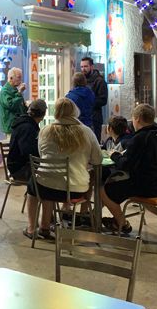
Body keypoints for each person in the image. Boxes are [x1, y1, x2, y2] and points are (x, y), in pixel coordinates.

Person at [100, 104, 157, 245]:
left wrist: (115, 155)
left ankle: (122, 223)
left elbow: (125, 165)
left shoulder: (139, 138)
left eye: (133, 118)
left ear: (138, 119)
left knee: (104, 190)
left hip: (146, 187)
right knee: (144, 195)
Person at [23, 98, 102, 240]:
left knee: (36, 185)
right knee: (86, 178)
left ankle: (34, 228)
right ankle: (79, 215)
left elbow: (42, 155)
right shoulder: (86, 131)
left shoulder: (45, 130)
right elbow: (98, 159)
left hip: (46, 187)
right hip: (75, 191)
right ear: (75, 111)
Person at [7, 99, 47, 181]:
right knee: (51, 174)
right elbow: (28, 152)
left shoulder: (25, 124)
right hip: (21, 170)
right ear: (43, 115)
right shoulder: (28, 128)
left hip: (18, 167)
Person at [81, 57, 108, 142]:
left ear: (91, 67)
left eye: (85, 66)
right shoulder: (81, 80)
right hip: (83, 118)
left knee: (94, 143)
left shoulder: (99, 81)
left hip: (94, 119)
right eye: (82, 67)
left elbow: (103, 100)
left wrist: (88, 102)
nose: (83, 69)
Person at [0, 67, 27, 136]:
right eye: (18, 77)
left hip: (19, 125)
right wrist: (19, 93)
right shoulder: (5, 91)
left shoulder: (15, 89)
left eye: (21, 77)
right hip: (11, 127)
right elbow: (11, 105)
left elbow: (19, 107)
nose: (20, 80)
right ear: (11, 78)